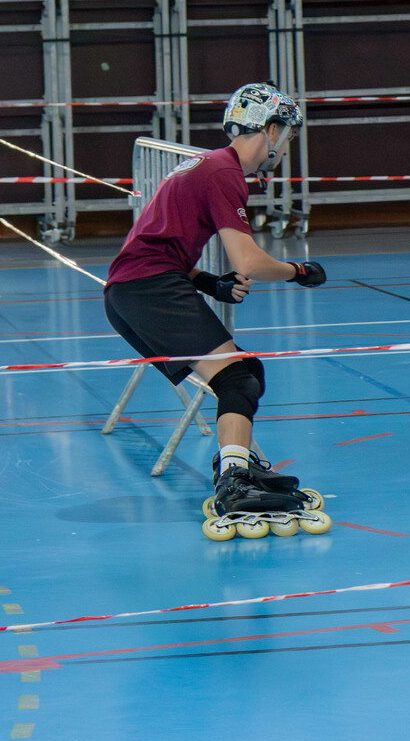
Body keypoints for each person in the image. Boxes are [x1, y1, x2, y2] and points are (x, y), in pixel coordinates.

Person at [103, 82, 332, 541]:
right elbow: (249, 261)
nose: (287, 145)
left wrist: (208, 282)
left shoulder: (206, 164)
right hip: (147, 289)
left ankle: (240, 464)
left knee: (244, 375)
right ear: (270, 130)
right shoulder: (224, 173)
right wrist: (298, 270)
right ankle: (234, 479)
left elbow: (155, 240)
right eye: (287, 134)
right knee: (237, 379)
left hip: (136, 289)